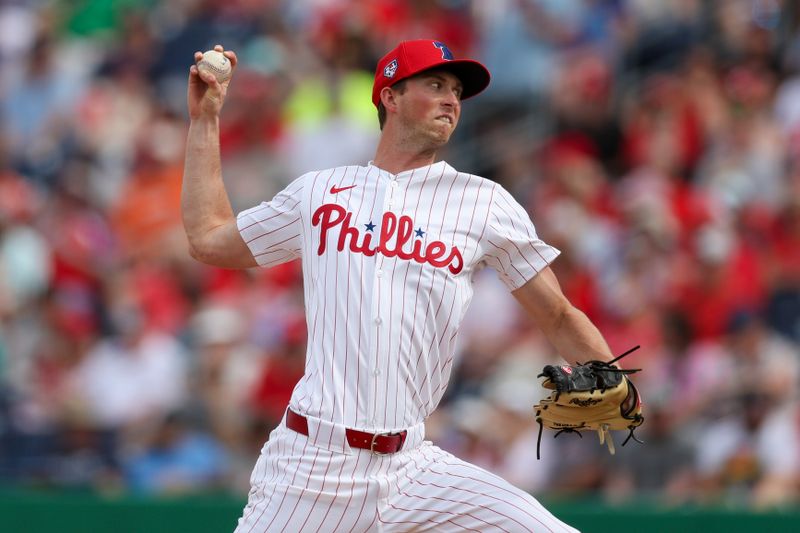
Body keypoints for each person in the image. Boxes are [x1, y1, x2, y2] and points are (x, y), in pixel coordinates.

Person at [183, 39, 619, 533]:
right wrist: (205, 120)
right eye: (435, 85)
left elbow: (557, 313)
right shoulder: (321, 191)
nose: (452, 99)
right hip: (311, 466)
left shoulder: (484, 203)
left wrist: (614, 385)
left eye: (456, 90)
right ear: (390, 97)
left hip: (412, 469)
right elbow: (209, 240)